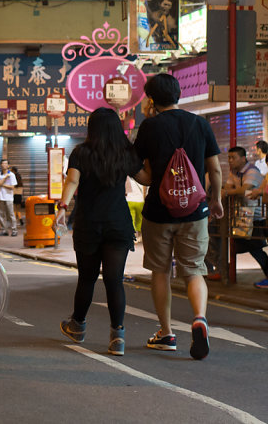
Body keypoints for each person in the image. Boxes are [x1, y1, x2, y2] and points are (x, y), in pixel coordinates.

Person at [133, 73, 223, 360]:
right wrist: (216, 199)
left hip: (159, 212)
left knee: (160, 272)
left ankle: (166, 332)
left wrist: (129, 167)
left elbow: (146, 178)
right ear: (179, 94)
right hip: (195, 211)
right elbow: (215, 170)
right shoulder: (200, 124)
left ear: (151, 99)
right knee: (194, 269)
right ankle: (199, 318)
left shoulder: (149, 127)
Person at [56, 108, 147, 356]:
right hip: (118, 224)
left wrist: (62, 207)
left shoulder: (81, 153)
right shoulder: (125, 153)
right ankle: (117, 336)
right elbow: (146, 178)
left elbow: (72, 181)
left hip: (89, 224)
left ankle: (77, 326)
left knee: (87, 278)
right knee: (113, 280)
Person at [221, 147, 268, 289]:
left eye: (233, 157)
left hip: (256, 216)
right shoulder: (234, 172)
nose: (230, 161)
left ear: (243, 158)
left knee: (254, 247)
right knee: (249, 246)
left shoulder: (252, 171)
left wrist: (230, 192)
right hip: (244, 215)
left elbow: (244, 190)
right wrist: (230, 191)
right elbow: (228, 188)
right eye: (228, 157)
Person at [0, 159, 17, 237]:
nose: (4, 165)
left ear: (8, 165)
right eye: (2, 163)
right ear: (0, 165)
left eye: (5, 163)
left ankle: (14, 230)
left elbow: (12, 187)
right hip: (0, 197)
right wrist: (4, 179)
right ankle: (4, 230)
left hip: (9, 197)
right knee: (1, 215)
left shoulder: (11, 175)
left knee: (10, 214)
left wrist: (1, 184)